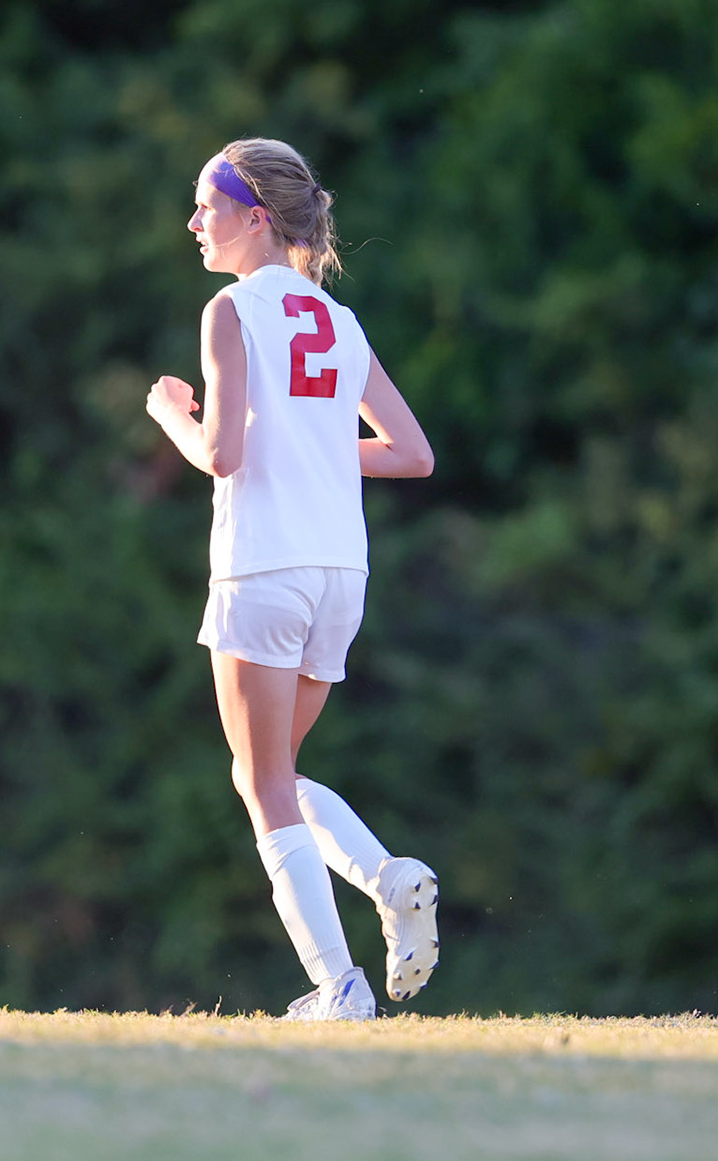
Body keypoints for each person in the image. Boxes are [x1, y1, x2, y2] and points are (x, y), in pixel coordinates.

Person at [147, 138, 438, 1021]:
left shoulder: (229, 310)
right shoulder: (337, 322)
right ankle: (386, 880)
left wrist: (170, 417)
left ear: (255, 217)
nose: (195, 221)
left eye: (207, 205)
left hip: (262, 565)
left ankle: (338, 988)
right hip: (339, 575)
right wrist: (312, 448)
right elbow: (413, 454)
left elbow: (222, 455)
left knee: (263, 781)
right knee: (270, 770)